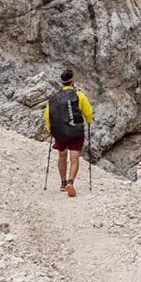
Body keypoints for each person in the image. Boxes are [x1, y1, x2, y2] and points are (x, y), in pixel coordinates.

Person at [44, 69, 93, 197]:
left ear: (62, 82)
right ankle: (70, 182)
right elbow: (88, 112)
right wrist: (88, 120)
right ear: (72, 81)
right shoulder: (79, 95)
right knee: (74, 157)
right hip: (75, 130)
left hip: (60, 131)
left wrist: (51, 130)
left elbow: (47, 115)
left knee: (62, 155)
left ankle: (62, 182)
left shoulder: (54, 98)